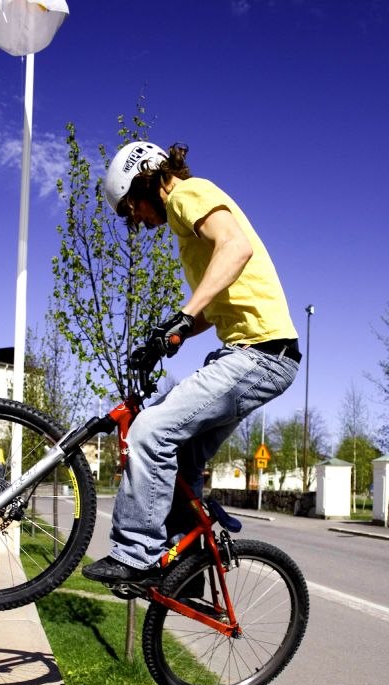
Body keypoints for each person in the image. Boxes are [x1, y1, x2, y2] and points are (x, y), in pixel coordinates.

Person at [82, 142, 301, 587]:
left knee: (151, 430)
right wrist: (168, 337)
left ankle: (136, 553)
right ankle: (188, 569)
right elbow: (213, 302)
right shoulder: (188, 235)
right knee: (178, 456)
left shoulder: (187, 194)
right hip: (252, 354)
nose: (136, 221)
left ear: (145, 180)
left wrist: (182, 317)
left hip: (260, 352)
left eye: (131, 209)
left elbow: (235, 248)